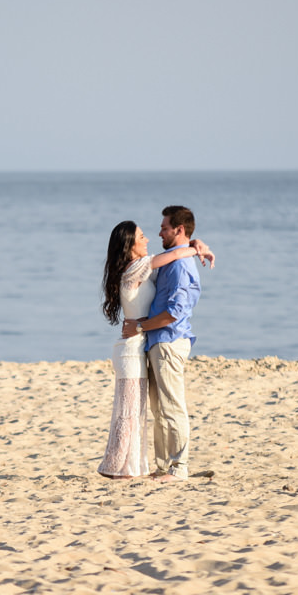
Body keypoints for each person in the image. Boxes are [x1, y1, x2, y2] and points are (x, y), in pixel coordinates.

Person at [98, 219, 212, 479]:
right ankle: (117, 468)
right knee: (129, 412)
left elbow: (170, 257)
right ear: (130, 245)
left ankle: (127, 468)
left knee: (134, 411)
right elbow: (174, 254)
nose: (148, 238)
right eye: (141, 236)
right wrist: (197, 248)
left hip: (138, 344)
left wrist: (194, 242)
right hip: (132, 347)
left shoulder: (139, 269)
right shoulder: (136, 267)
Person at [121, 206, 202, 482]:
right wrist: (196, 245)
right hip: (156, 343)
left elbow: (173, 313)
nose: (159, 233)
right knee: (159, 409)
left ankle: (179, 468)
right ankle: (164, 466)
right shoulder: (170, 259)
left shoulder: (179, 266)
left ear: (179, 229)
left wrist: (141, 326)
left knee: (172, 406)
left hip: (169, 341)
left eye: (164, 228)